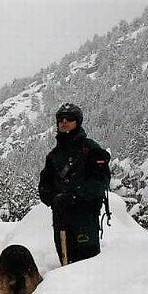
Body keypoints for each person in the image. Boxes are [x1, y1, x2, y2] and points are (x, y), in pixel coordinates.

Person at [38, 103, 111, 265]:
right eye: (61, 119)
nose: (64, 122)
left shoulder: (90, 149)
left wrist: (76, 195)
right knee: (65, 263)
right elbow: (44, 185)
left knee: (87, 264)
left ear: (77, 122)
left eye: (69, 118)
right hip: (61, 217)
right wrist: (54, 199)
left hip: (85, 216)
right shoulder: (53, 155)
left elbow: (102, 181)